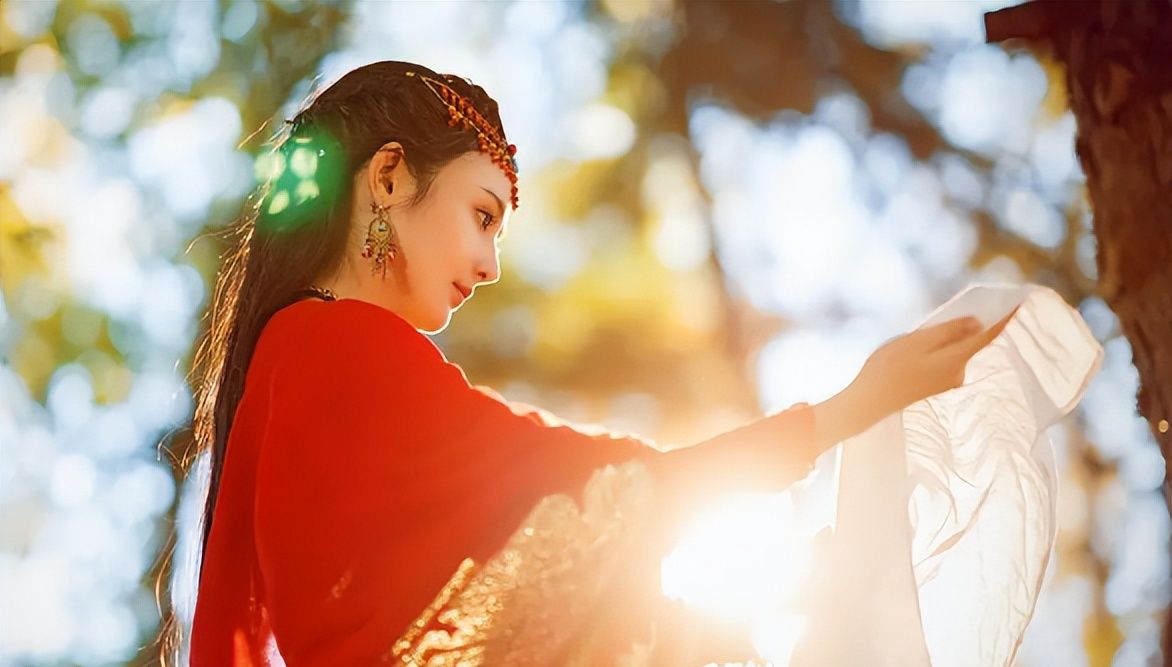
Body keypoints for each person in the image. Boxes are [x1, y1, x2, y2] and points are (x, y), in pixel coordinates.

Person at [181, 60, 1010, 666]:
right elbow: (598, 487)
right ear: (391, 177)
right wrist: (852, 407)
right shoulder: (340, 348)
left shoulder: (295, 358)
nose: (490, 264)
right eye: (481, 214)